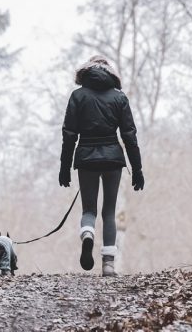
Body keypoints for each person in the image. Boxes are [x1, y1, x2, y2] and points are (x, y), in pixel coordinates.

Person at [58, 55, 144, 277]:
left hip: (86, 157)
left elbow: (69, 134)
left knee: (89, 210)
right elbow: (129, 135)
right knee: (109, 211)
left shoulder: (77, 96)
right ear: (110, 73)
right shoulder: (119, 98)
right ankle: (108, 265)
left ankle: (87, 233)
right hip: (112, 159)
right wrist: (137, 169)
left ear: (85, 73)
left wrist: (64, 166)